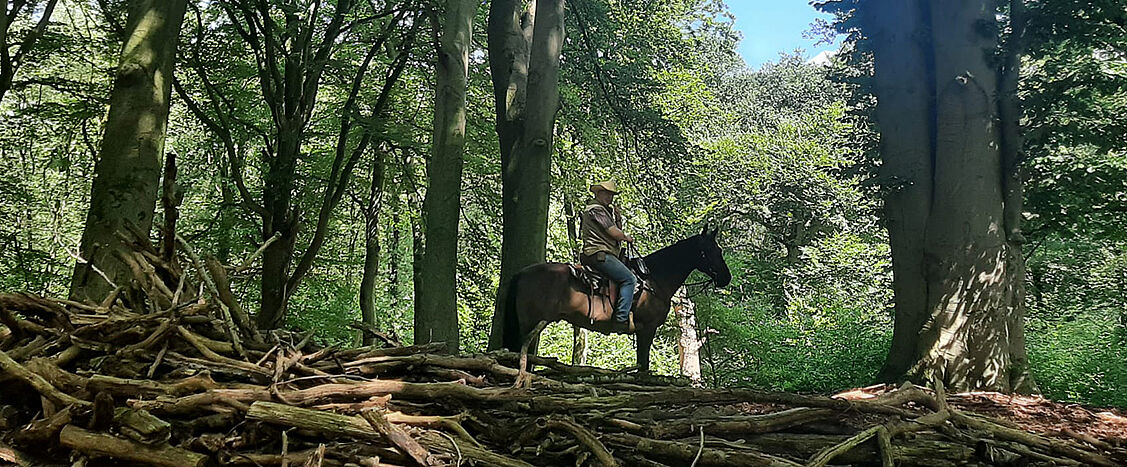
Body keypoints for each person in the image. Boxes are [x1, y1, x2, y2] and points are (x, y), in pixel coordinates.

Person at [579, 180, 636, 332]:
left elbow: (615, 230)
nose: (610, 198)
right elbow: (613, 233)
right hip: (598, 253)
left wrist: (618, 218)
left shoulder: (603, 210)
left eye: (612, 195)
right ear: (598, 193)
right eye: (607, 194)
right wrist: (627, 237)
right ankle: (621, 319)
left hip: (602, 252)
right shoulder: (596, 210)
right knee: (629, 279)